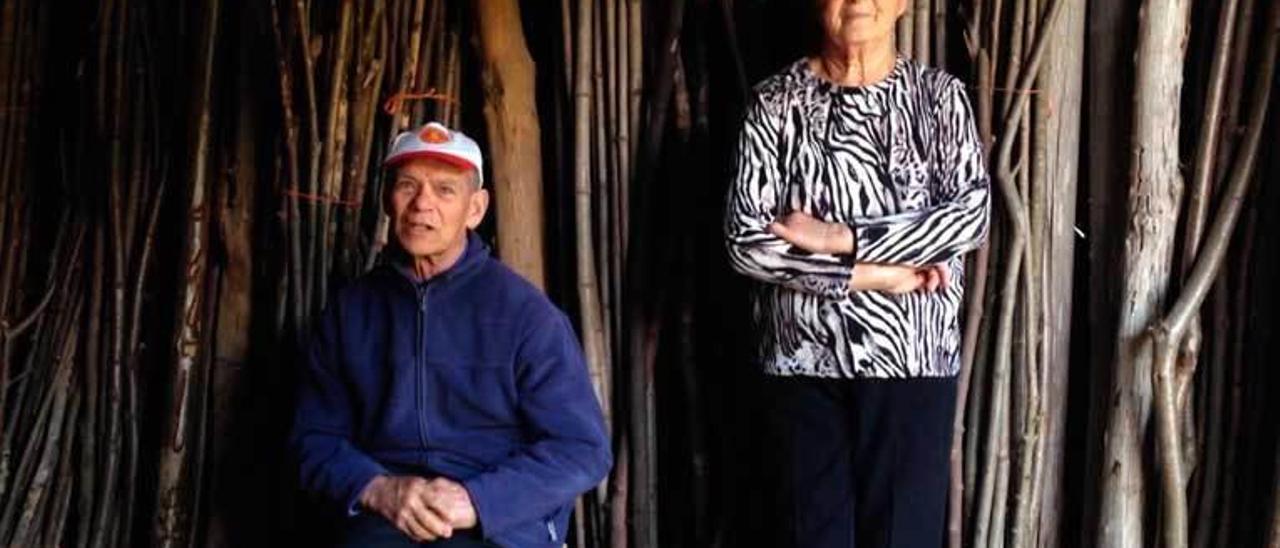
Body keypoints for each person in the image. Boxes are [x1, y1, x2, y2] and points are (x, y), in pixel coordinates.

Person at [723, 0, 990, 546]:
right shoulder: (775, 104)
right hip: (801, 368)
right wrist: (873, 275)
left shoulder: (937, 98)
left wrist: (841, 238)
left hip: (911, 365)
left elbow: (968, 217)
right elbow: (746, 242)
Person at [293, 122, 612, 547]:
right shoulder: (350, 313)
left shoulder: (526, 316)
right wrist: (378, 489)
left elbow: (582, 447)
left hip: (500, 525)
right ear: (387, 199)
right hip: (385, 520)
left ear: (476, 209)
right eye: (408, 185)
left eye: (445, 190)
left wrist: (477, 500)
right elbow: (312, 439)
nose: (422, 203)